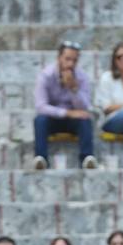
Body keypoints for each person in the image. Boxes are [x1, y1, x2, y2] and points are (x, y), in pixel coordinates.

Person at [32, 41, 96, 170]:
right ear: (59, 58)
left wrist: (73, 89)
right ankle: (41, 158)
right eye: (67, 59)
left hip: (73, 121)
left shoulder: (82, 77)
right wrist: (66, 113)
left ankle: (86, 158)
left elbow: (85, 107)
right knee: (40, 120)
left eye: (74, 60)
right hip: (53, 119)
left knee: (85, 119)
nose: (70, 64)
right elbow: (41, 106)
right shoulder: (46, 76)